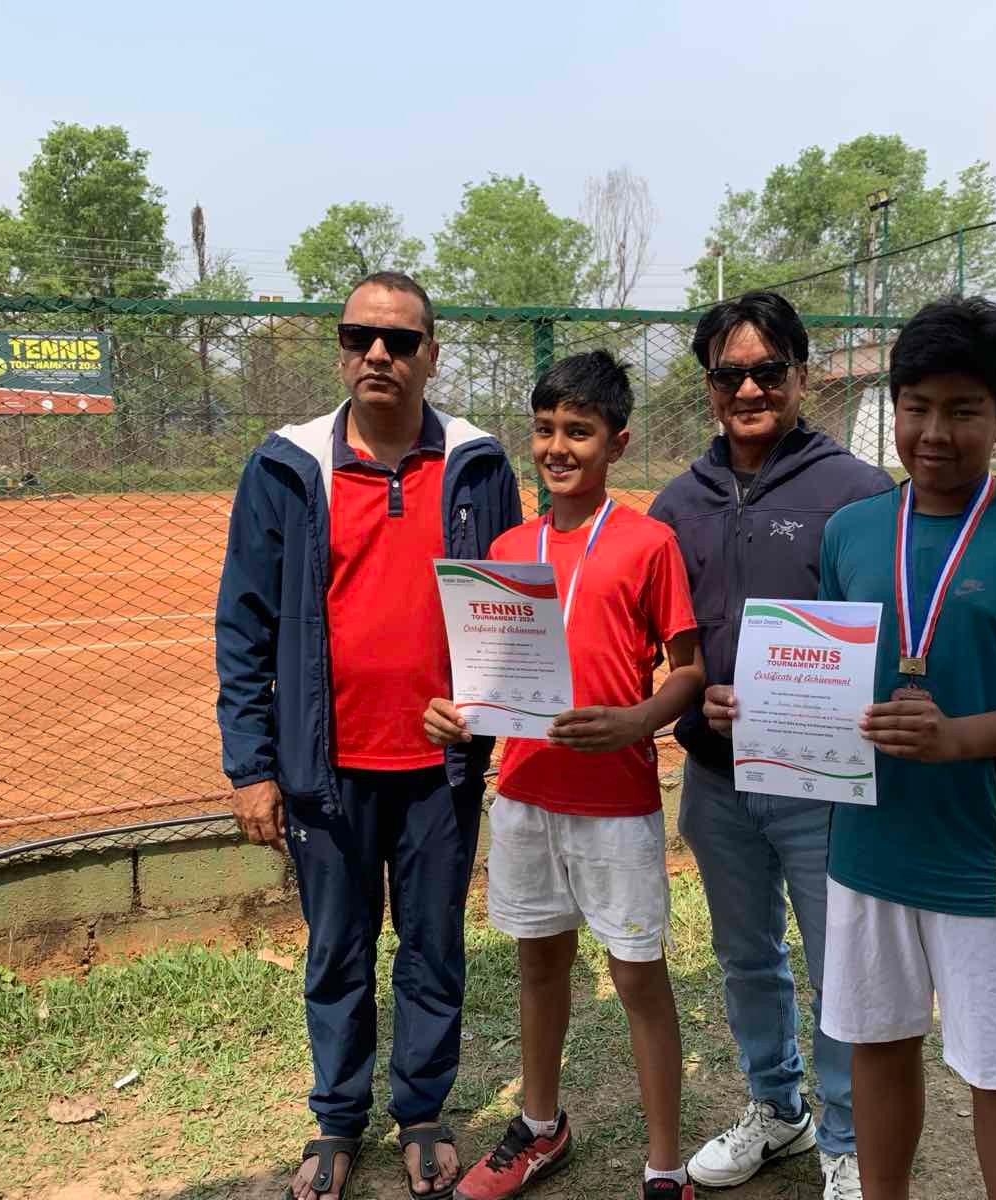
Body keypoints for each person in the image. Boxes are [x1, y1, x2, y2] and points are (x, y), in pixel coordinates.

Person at [791, 296, 996, 1200]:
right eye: (917, 407)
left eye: (964, 410)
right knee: (878, 1048)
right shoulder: (852, 531)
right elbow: (828, 671)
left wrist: (958, 738)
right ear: (894, 409)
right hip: (866, 851)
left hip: (987, 862)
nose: (935, 433)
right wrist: (770, 712)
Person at [215, 271, 523, 1200]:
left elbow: (510, 615)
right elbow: (243, 623)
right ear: (342, 350)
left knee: (432, 947)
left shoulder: (478, 465)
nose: (378, 354)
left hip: (440, 769)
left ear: (432, 354)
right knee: (337, 953)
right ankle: (337, 1118)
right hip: (325, 770)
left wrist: (485, 713)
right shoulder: (287, 466)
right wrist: (252, 765)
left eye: (399, 340)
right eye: (359, 337)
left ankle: (422, 1110)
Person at [423, 351, 706, 1200]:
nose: (557, 447)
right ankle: (541, 1127)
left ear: (617, 442)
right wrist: (457, 712)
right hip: (526, 792)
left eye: (578, 431)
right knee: (540, 966)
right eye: (545, 429)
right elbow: (484, 679)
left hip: (615, 801)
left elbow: (689, 671)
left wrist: (638, 720)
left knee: (637, 977)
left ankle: (665, 1167)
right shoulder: (510, 549)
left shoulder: (650, 543)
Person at [647, 291, 892, 1200]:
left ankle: (846, 1137)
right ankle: (778, 1108)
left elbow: (894, 634)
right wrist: (693, 691)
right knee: (746, 957)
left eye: (767, 371)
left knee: (840, 967)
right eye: (728, 374)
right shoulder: (678, 504)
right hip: (716, 780)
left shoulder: (858, 494)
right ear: (709, 386)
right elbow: (664, 643)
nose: (748, 390)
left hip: (822, 786)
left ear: (802, 376)